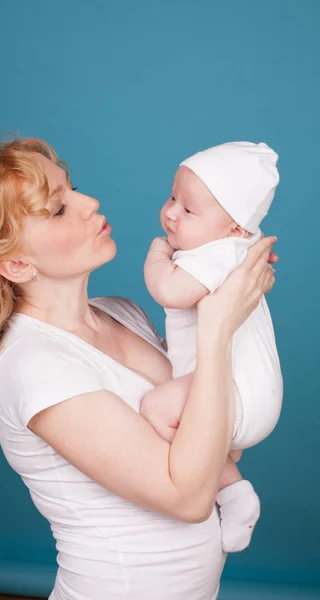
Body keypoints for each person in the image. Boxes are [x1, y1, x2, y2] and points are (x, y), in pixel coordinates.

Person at [0, 138, 277, 600]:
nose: (90, 204)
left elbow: (213, 444)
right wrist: (219, 328)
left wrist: (226, 276)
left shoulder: (122, 313)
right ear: (14, 263)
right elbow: (188, 497)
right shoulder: (35, 364)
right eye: (58, 209)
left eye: (75, 190)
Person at [143, 142, 283, 554]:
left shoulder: (216, 254)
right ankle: (226, 472)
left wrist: (157, 254)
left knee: (156, 408)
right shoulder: (238, 245)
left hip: (233, 398)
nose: (170, 212)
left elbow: (169, 290)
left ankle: (234, 493)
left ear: (234, 229)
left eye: (188, 210)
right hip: (254, 396)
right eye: (172, 197)